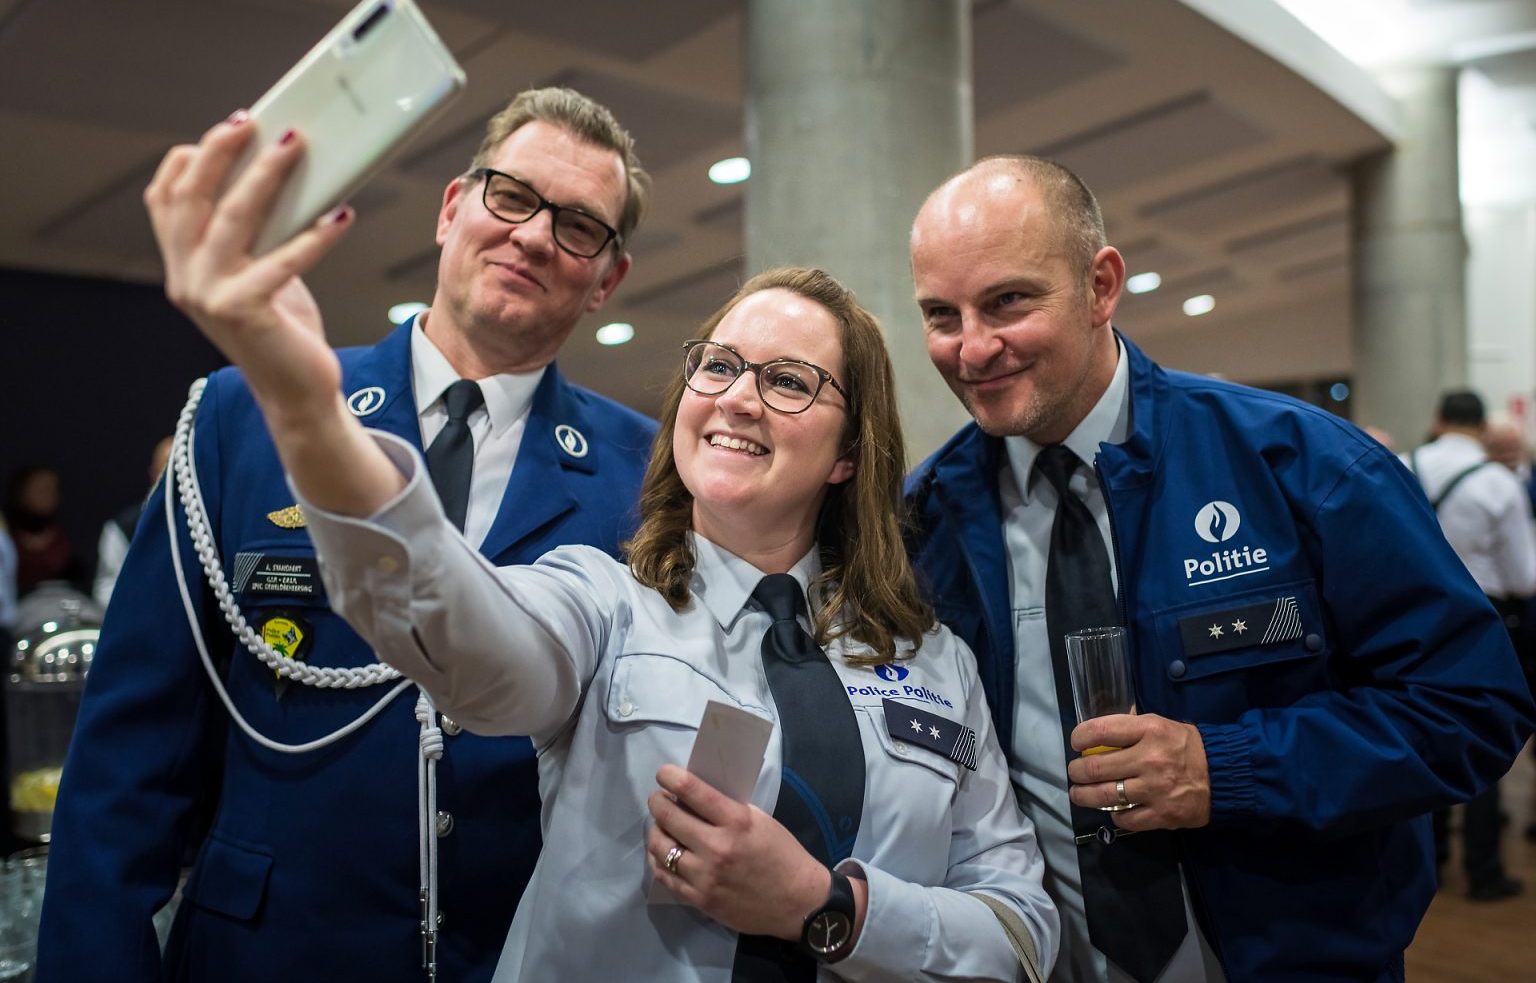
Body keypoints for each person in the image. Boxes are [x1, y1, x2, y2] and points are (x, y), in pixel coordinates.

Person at [144, 104, 1058, 981]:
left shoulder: (934, 662)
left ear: (849, 452)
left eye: (787, 380)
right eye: (720, 366)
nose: (738, 396)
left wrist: (829, 910)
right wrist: (313, 419)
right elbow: (472, 647)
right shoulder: (602, 597)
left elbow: (1023, 928)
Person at [38, 87, 657, 983]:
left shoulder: (644, 476)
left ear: (608, 280)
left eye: (578, 227)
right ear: (453, 209)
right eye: (510, 196)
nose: (531, 235)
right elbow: (130, 758)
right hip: (267, 955)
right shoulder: (246, 414)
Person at [904, 155, 1536, 983]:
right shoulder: (927, 520)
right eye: (941, 315)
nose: (974, 347)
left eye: (1009, 301)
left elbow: (1473, 704)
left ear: (1101, 286)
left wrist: (1228, 767)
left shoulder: (1300, 464)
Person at [1406, 389, 1536, 899]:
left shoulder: (1400, 463)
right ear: (1481, 428)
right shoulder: (1497, 482)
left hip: (1406, 619)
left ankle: (1431, 857)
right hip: (1483, 621)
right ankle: (1482, 871)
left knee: (1417, 731)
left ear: (1437, 419)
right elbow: (1524, 578)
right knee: (1480, 735)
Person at [91, 435, 173, 607]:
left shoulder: (212, 523)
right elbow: (107, 590)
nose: (174, 476)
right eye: (167, 467)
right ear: (153, 472)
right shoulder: (125, 526)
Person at [3, 466, 84, 595]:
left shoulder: (65, 535)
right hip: (24, 606)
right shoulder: (5, 535)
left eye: (52, 490)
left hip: (65, 599)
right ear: (20, 493)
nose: (48, 496)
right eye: (40, 489)